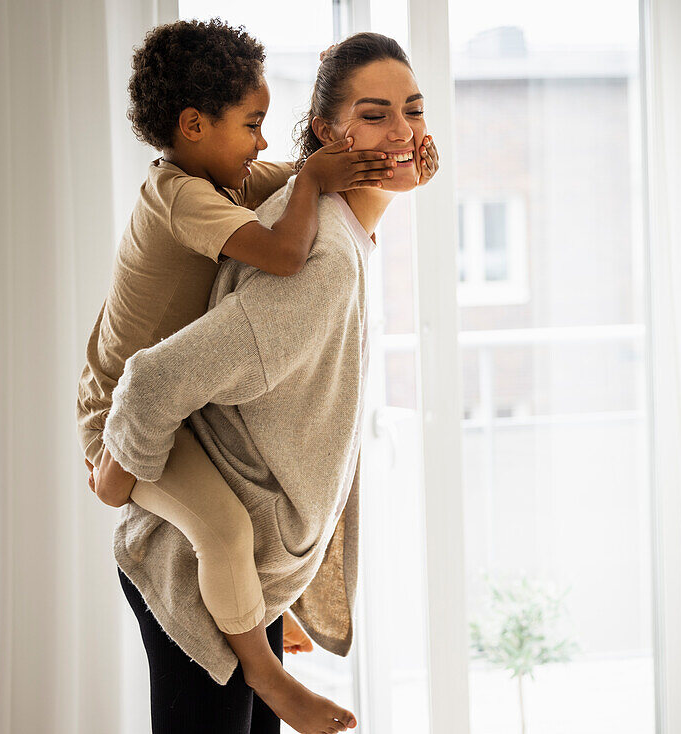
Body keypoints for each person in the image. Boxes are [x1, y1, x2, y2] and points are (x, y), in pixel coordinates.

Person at [77, 19, 434, 733]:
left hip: (236, 584)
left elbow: (307, 179)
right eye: (375, 113)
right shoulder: (224, 212)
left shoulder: (291, 203)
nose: (404, 130)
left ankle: (266, 659)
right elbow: (151, 379)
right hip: (157, 499)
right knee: (222, 533)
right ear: (329, 134)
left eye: (415, 110)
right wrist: (114, 469)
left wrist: (384, 170)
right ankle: (269, 677)